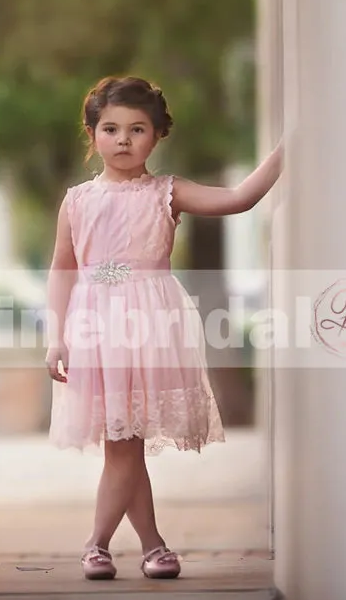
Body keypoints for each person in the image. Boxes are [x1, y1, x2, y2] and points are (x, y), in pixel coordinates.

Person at [45, 76, 283, 581]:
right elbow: (62, 270)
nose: (124, 139)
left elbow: (240, 197)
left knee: (126, 444)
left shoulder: (167, 193)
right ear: (92, 135)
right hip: (96, 327)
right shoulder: (77, 201)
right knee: (123, 444)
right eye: (110, 129)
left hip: (150, 323)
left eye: (137, 129)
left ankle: (111, 545)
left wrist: (291, 149)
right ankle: (130, 545)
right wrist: (55, 336)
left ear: (157, 136)